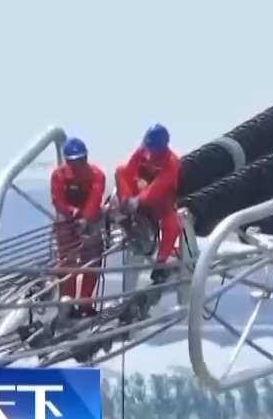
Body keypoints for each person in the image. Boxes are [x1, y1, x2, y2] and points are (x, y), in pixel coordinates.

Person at [114, 123, 182, 282]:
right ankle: (124, 208)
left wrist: (139, 201)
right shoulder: (141, 152)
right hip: (138, 195)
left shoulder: (172, 162)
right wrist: (127, 198)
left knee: (172, 224)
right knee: (120, 170)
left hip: (160, 202)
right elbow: (128, 172)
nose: (151, 152)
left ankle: (161, 261)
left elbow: (159, 186)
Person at [48, 137, 106, 318]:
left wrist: (85, 218)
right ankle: (68, 304)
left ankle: (85, 304)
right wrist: (71, 211)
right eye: (72, 161)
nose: (76, 165)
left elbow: (95, 197)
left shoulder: (97, 175)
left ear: (85, 158)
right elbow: (57, 199)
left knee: (92, 263)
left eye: (80, 160)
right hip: (67, 223)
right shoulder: (58, 176)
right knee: (68, 264)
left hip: (90, 222)